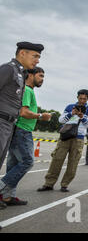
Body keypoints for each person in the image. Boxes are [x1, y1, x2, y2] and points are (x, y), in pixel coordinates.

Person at [0, 67, 51, 206]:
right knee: (27, 161)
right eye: (40, 76)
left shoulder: (27, 90)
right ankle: (1, 189)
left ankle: (7, 197)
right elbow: (24, 112)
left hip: (18, 130)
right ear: (30, 75)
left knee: (13, 164)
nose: (42, 79)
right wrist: (42, 116)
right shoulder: (27, 90)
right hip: (22, 131)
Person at [37, 89, 88, 193]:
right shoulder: (70, 107)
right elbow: (61, 120)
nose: (82, 101)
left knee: (73, 162)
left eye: (84, 99)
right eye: (80, 98)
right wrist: (71, 114)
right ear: (77, 97)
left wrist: (82, 117)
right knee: (57, 159)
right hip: (66, 136)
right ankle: (49, 184)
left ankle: (65, 184)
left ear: (87, 99)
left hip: (79, 138)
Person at [0, 42, 43, 177]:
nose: (37, 60)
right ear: (22, 53)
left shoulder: (21, 73)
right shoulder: (9, 69)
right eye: (35, 56)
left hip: (9, 124)